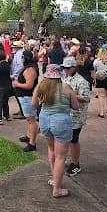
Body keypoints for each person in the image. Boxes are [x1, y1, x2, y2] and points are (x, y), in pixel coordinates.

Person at [32, 64, 79, 198]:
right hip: (61, 121)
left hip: (45, 120)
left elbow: (34, 104)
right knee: (60, 156)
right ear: (59, 76)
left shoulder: (41, 87)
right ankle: (57, 189)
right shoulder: (66, 87)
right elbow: (75, 106)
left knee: (52, 150)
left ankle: (54, 179)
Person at [62, 57, 90, 176]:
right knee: (68, 139)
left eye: (67, 68)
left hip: (76, 115)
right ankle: (72, 160)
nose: (65, 70)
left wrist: (71, 94)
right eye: (64, 68)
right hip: (66, 113)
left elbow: (86, 98)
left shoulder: (81, 81)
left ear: (74, 68)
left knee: (74, 140)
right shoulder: (65, 78)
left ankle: (76, 164)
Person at [13, 50, 39, 152]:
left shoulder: (30, 70)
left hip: (27, 97)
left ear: (25, 58)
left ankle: (32, 143)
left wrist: (17, 84)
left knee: (31, 120)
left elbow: (29, 85)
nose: (21, 59)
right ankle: (29, 136)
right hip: (24, 97)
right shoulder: (29, 68)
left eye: (22, 57)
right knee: (29, 120)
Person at [93, 49, 107, 117]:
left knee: (101, 96)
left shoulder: (96, 62)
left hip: (100, 79)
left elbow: (94, 69)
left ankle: (101, 112)